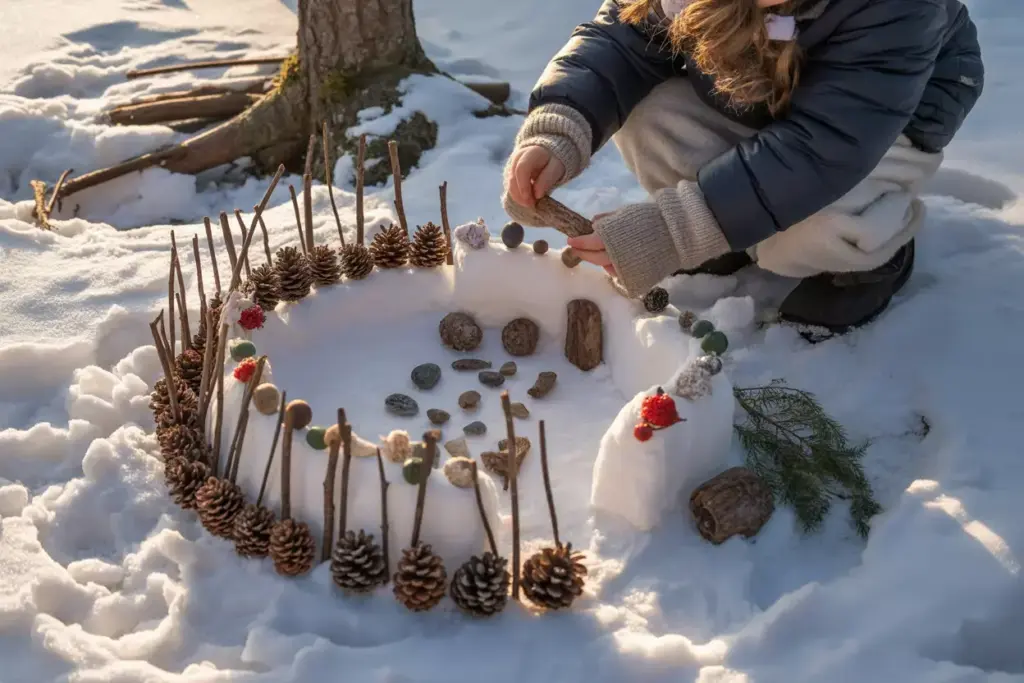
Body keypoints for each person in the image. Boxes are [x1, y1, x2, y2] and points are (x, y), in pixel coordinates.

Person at [502, 0, 983, 334]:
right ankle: (732, 228)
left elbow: (825, 145)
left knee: (817, 227)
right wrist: (558, 129)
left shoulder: (899, 9)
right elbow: (621, 40)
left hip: (874, 130)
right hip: (764, 98)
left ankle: (869, 249)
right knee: (649, 111)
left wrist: (674, 229)